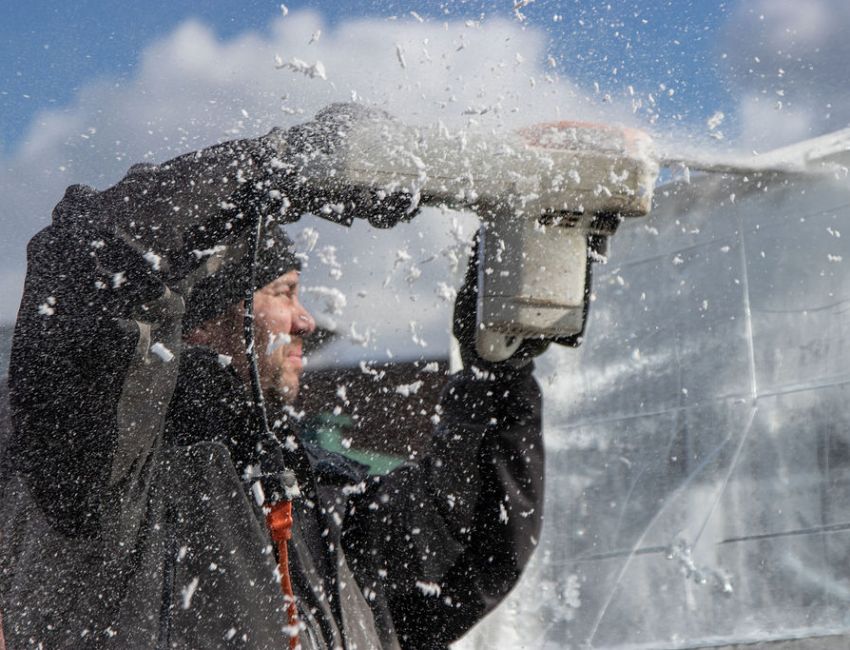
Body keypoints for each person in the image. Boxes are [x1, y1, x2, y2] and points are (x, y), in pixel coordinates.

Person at [0, 104, 547, 649]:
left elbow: (466, 545)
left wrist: (500, 361)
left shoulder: (308, 490)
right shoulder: (100, 471)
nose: (306, 321)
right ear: (202, 323)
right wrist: (283, 163)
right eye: (284, 293)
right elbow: (89, 256)